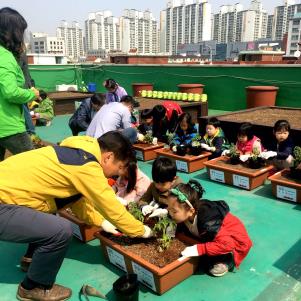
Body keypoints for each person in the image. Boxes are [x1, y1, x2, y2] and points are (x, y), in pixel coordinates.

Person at [0, 131, 152, 301]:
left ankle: (32, 259)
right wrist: (141, 231)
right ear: (108, 157)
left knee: (49, 211)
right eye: (120, 167)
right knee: (60, 230)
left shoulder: (76, 153)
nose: (118, 174)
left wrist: (101, 222)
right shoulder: (87, 165)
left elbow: (76, 200)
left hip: (8, 195)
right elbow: (111, 207)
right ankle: (33, 286)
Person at [168, 179, 253, 277]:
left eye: (174, 211)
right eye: (168, 208)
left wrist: (201, 249)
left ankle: (227, 259)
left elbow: (227, 244)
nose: (170, 213)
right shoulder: (186, 213)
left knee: (208, 262)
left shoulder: (208, 222)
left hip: (233, 241)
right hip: (213, 234)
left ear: (191, 211)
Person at [0, 7, 40, 161]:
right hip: (8, 125)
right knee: (34, 163)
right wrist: (32, 94)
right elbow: (10, 92)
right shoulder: (5, 57)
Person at [19, 51, 36, 135]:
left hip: (22, 86)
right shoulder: (21, 53)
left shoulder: (19, 54)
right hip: (25, 85)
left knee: (24, 108)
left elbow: (17, 68)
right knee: (24, 108)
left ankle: (30, 131)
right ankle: (30, 130)